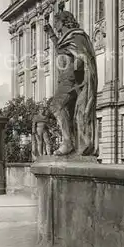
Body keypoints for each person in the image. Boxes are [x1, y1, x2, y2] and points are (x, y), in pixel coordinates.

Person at [44, 11, 98, 156]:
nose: (55, 25)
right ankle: (73, 144)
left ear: (63, 22)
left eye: (56, 22)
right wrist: (51, 34)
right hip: (65, 78)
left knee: (56, 105)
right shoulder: (66, 39)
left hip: (71, 79)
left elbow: (82, 56)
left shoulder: (76, 36)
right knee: (70, 112)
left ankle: (67, 143)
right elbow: (62, 50)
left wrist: (72, 72)